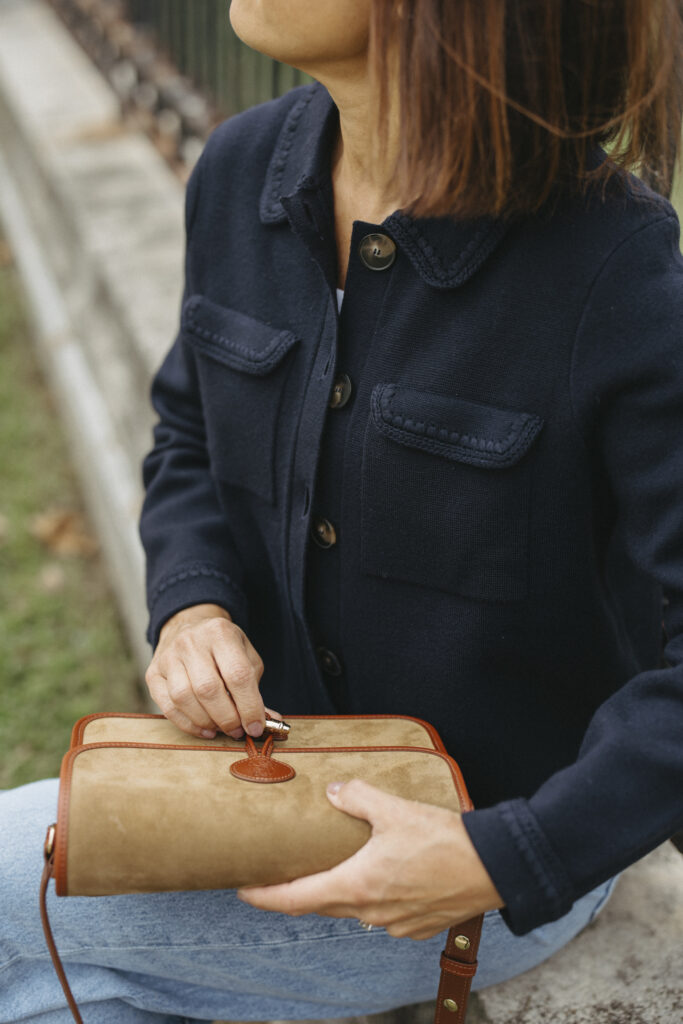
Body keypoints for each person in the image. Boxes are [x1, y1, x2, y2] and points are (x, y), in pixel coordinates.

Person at [2, 1, 683, 1021]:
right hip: (252, 791)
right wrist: (191, 605)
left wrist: (504, 855)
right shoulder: (238, 170)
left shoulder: (609, 266)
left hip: (484, 857)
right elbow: (186, 432)